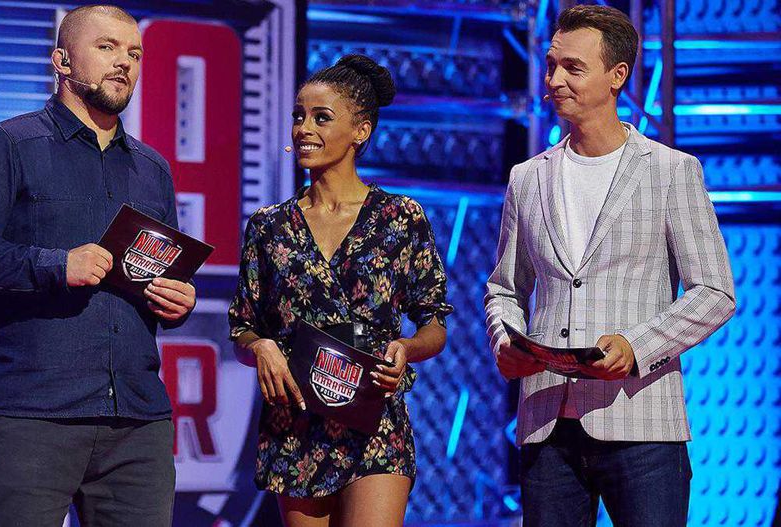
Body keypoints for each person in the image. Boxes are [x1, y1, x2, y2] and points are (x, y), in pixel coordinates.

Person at [0, 5, 194, 525]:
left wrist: (176, 301)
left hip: (137, 421)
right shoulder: (7, 145)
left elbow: (161, 273)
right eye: (107, 47)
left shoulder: (153, 169)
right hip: (33, 416)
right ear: (62, 61)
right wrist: (54, 265)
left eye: (134, 53)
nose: (124, 62)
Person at [483, 5, 735, 526]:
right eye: (551, 66)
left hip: (642, 423)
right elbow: (505, 287)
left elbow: (714, 291)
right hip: (548, 423)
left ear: (617, 75)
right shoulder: (528, 177)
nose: (554, 80)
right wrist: (507, 341)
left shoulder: (670, 170)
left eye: (573, 68)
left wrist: (636, 346)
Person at [228, 54, 452, 527]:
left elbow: (434, 324)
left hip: (375, 421)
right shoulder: (268, 226)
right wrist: (260, 347)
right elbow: (243, 327)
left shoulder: (400, 218)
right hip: (296, 427)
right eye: (298, 116)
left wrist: (406, 349)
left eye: (321, 117)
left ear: (361, 131)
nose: (303, 128)